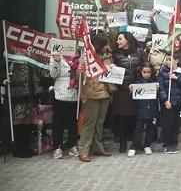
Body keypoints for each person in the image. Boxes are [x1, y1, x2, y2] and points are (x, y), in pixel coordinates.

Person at [78, 34, 116, 162]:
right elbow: (83, 72)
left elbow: (111, 73)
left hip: (105, 91)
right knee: (90, 123)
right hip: (92, 91)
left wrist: (113, 69)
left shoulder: (108, 56)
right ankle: (83, 150)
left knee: (100, 123)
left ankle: (98, 147)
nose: (107, 46)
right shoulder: (88, 56)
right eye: (105, 44)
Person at [112, 32, 145, 153]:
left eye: (120, 39)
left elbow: (144, 68)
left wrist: (137, 82)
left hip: (137, 88)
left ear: (127, 40)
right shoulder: (115, 54)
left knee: (138, 116)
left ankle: (137, 142)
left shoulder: (140, 51)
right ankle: (122, 142)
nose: (117, 41)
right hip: (122, 89)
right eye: (117, 39)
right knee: (123, 117)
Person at [158, 52, 181, 154]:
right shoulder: (163, 71)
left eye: (170, 59)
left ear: (176, 60)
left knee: (176, 123)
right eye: (167, 59)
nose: (168, 61)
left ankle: (174, 143)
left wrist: (177, 78)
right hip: (168, 102)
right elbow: (161, 87)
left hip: (178, 101)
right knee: (168, 123)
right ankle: (167, 144)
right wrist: (165, 100)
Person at [49, 50, 79, 159]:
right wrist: (56, 61)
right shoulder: (57, 54)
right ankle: (57, 147)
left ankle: (72, 144)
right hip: (60, 93)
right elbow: (52, 74)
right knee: (58, 122)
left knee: (73, 122)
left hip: (74, 93)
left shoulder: (78, 55)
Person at [128, 63, 158, 157]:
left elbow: (157, 94)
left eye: (149, 72)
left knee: (150, 128)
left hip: (152, 108)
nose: (146, 74)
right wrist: (131, 90)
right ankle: (134, 146)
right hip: (140, 108)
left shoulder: (155, 80)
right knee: (138, 129)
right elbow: (132, 96)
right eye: (144, 72)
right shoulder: (136, 81)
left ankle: (147, 145)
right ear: (141, 71)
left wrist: (157, 89)